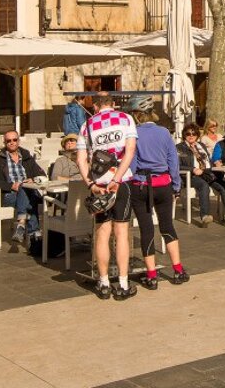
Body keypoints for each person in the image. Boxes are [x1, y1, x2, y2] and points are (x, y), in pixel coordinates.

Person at [77, 93, 138, 300]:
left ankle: (103, 283)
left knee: (102, 232)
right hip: (121, 181)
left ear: (95, 106)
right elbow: (130, 152)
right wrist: (118, 178)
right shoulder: (126, 119)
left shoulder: (87, 125)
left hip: (99, 182)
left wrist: (91, 184)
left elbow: (81, 159)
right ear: (113, 104)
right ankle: (122, 283)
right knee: (121, 232)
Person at [130, 110, 188, 289]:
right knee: (167, 226)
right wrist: (176, 186)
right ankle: (178, 269)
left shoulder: (134, 133)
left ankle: (152, 275)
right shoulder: (164, 132)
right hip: (163, 183)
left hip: (141, 184)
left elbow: (131, 161)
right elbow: (173, 160)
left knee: (146, 229)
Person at [0, 131, 45, 246]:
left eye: (14, 140)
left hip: (26, 191)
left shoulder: (28, 158)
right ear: (4, 143)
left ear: (19, 141)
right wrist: (11, 185)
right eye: (8, 141)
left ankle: (21, 223)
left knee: (25, 188)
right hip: (7, 195)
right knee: (30, 198)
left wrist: (33, 179)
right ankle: (34, 234)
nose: (12, 143)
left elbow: (42, 175)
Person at [176, 124, 225, 226]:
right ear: (184, 135)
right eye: (188, 133)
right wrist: (193, 169)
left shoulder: (201, 145)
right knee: (203, 185)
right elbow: (177, 165)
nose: (191, 135)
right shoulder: (179, 148)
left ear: (197, 135)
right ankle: (205, 216)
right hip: (190, 176)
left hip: (206, 173)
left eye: (194, 133)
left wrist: (216, 163)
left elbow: (208, 160)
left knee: (222, 185)